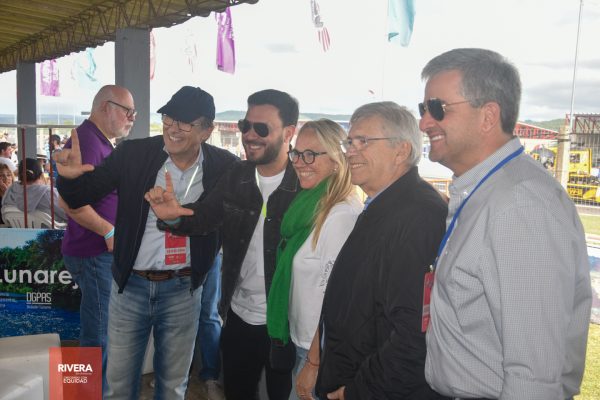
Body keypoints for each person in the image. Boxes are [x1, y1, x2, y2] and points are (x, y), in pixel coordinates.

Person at [420, 48, 592, 400]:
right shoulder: (486, 191)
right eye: (422, 109)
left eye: (437, 108)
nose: (424, 123)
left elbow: (534, 376)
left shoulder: (519, 206)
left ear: (488, 116)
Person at [55, 86, 237, 400]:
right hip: (130, 287)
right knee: (118, 386)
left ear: (207, 131)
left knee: (173, 386)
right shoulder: (134, 154)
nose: (173, 128)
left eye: (185, 123)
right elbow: (82, 195)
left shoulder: (224, 166)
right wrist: (69, 179)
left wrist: (178, 219)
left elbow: (218, 217)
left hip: (183, 289)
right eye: (168, 118)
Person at [144, 89, 300, 400]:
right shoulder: (237, 175)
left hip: (287, 322)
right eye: (245, 125)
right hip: (239, 315)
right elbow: (205, 216)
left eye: (261, 128)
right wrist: (174, 218)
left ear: (288, 133)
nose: (250, 135)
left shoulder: (304, 184)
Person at [316, 102, 448, 400]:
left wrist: (358, 390)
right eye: (350, 142)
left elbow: (414, 333)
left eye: (363, 141)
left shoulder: (418, 216)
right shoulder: (385, 205)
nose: (350, 151)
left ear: (401, 151)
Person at [264, 119, 361, 400]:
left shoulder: (340, 216)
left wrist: (315, 363)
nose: (299, 162)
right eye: (297, 153)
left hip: (317, 350)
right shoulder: (311, 204)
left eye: (311, 155)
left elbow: (336, 300)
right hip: (302, 341)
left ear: (336, 161)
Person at [59, 85, 135, 394]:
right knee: (98, 334)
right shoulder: (88, 142)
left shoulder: (99, 141)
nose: (132, 118)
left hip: (97, 253)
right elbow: (69, 201)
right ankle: (89, 393)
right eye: (128, 111)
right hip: (93, 253)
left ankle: (89, 391)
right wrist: (108, 230)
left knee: (100, 329)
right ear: (106, 107)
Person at [2, 157, 67, 223]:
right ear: (41, 176)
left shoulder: (10, 192)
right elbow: (68, 214)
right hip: (51, 229)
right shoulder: (48, 193)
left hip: (17, 229)